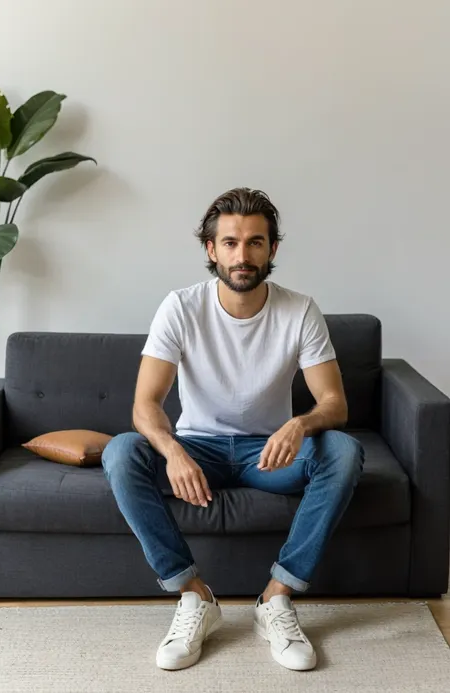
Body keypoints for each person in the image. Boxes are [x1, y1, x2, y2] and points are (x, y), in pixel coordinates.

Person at [102, 187, 365, 672]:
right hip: (197, 451)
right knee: (121, 453)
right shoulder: (180, 307)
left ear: (272, 249)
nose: (242, 256)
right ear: (211, 249)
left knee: (344, 451)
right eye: (230, 243)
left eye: (255, 243)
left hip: (271, 457)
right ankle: (194, 596)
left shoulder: (300, 310)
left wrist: (301, 424)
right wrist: (173, 452)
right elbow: (144, 405)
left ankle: (276, 599)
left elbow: (335, 404)